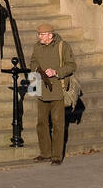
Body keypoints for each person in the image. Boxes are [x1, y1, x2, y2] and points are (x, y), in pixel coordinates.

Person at [29, 23, 76, 165]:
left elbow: (72, 65)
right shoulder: (37, 47)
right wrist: (37, 70)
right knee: (41, 123)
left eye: (42, 35)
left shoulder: (63, 46)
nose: (39, 37)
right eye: (39, 34)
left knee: (57, 124)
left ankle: (56, 156)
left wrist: (56, 72)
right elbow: (32, 62)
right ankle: (45, 153)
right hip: (41, 88)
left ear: (50, 35)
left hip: (57, 90)